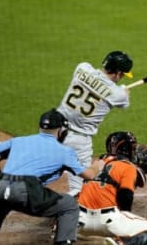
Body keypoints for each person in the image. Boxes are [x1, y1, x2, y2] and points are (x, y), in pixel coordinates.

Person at [0, 108, 105, 245]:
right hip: (26, 191)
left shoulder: (18, 140)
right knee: (69, 204)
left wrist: (0, 178)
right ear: (61, 131)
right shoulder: (64, 152)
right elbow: (89, 175)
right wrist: (97, 165)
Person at [57, 51, 133, 197]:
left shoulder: (82, 68)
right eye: (122, 74)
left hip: (54, 131)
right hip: (78, 142)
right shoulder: (118, 95)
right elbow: (123, 103)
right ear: (117, 74)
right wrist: (123, 90)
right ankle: (66, 216)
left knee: (39, 170)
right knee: (80, 188)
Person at [77, 131, 147, 245]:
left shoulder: (97, 163)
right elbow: (126, 197)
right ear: (126, 148)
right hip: (108, 221)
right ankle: (117, 243)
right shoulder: (128, 167)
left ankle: (77, 237)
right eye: (133, 147)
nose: (134, 151)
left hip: (82, 222)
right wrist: (124, 217)